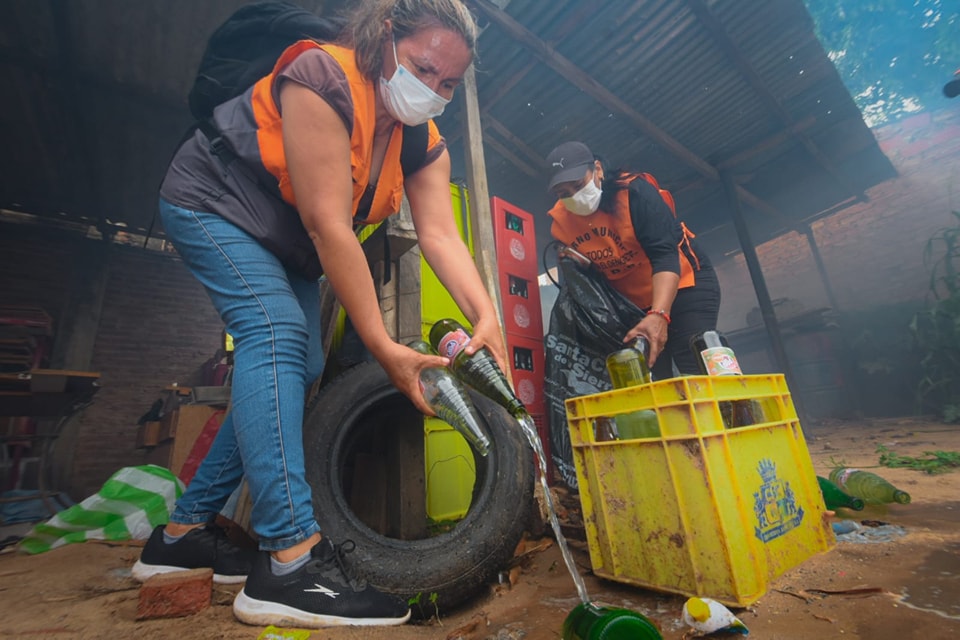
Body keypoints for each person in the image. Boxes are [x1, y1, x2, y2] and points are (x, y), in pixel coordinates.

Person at [133, 0, 505, 629]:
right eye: (423, 68)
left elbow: (440, 235)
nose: (434, 90)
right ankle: (288, 562)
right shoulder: (320, 76)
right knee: (275, 332)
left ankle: (180, 535)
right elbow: (330, 225)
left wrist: (486, 314)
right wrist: (385, 347)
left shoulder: (422, 138)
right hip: (215, 202)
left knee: (299, 364)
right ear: (387, 37)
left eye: (448, 82)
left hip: (287, 243)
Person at [545, 141, 720, 379]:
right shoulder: (561, 226)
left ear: (597, 170)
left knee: (695, 361)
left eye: (578, 185)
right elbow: (588, 284)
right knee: (648, 377)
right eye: (564, 194)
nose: (574, 197)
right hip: (633, 307)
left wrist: (659, 314)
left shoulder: (634, 193)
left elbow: (665, 255)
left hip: (684, 285)